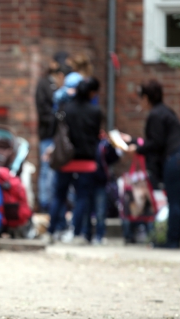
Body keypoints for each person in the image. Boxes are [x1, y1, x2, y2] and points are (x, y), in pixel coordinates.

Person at [122, 80, 180, 249]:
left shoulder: (155, 115)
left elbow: (155, 144)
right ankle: (176, 240)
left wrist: (136, 149)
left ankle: (172, 241)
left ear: (146, 98)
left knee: (175, 201)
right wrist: (134, 141)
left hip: (177, 157)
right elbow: (157, 141)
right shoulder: (165, 111)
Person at [47, 78, 102, 245]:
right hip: (87, 161)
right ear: (92, 93)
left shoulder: (66, 110)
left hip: (66, 160)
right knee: (83, 198)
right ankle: (77, 234)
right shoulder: (96, 111)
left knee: (59, 195)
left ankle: (52, 231)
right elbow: (96, 136)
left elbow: (56, 132)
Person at [36, 52, 68, 212]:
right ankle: (44, 203)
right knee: (46, 170)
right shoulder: (43, 84)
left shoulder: (66, 88)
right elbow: (43, 110)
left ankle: (59, 206)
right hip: (48, 134)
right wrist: (55, 118)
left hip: (61, 137)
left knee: (58, 172)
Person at [84, 137, 121, 245]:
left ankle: (100, 235)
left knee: (100, 211)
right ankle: (87, 234)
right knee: (87, 210)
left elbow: (113, 159)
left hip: (100, 181)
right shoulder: (85, 140)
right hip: (86, 180)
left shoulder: (104, 144)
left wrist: (114, 147)